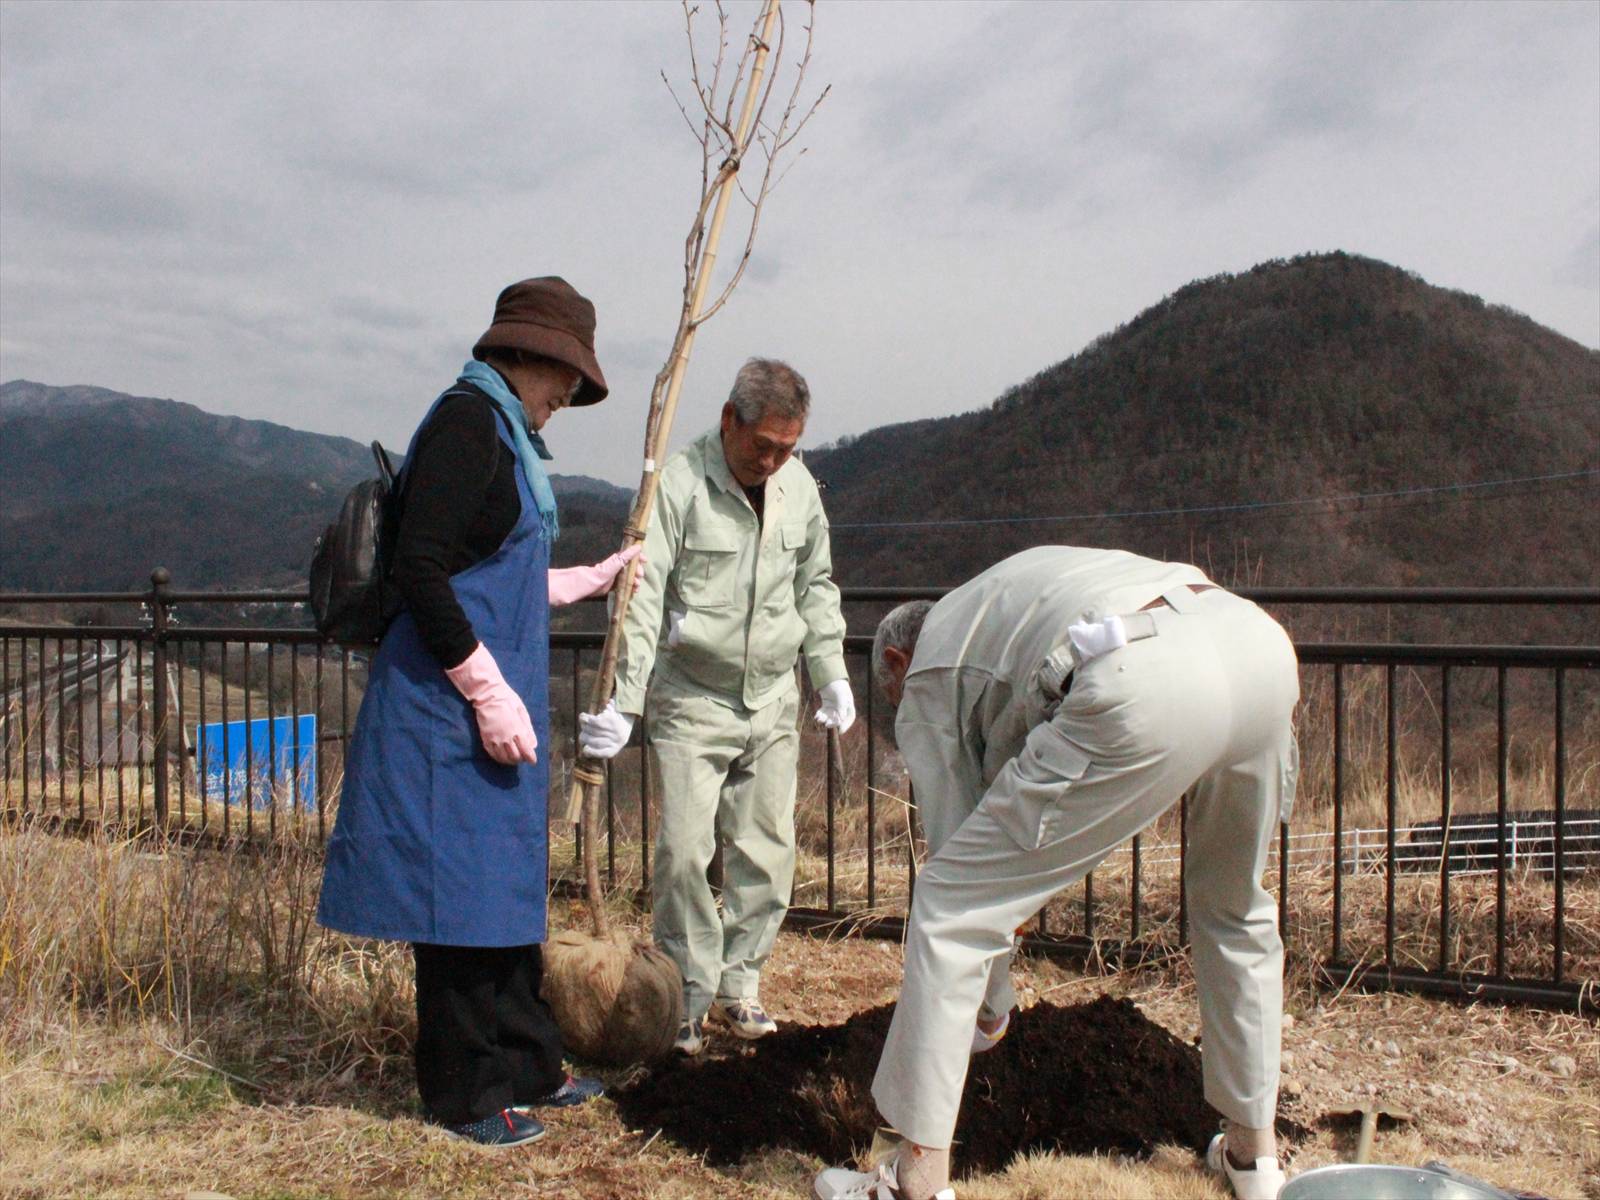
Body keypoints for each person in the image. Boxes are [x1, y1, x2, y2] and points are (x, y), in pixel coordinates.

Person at [814, 546, 1299, 1200]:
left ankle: (912, 1184)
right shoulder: (1000, 600)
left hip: (1140, 676)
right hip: (1257, 650)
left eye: (896, 709)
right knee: (1234, 906)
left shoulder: (928, 671)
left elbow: (960, 858)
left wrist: (988, 1012)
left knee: (950, 907)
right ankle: (1253, 1158)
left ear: (897, 664)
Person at [317, 277, 639, 1148]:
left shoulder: (506, 436)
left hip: (483, 717)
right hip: (440, 711)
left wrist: (583, 579)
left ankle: (531, 1061)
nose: (567, 396)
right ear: (526, 354)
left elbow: (484, 569)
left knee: (501, 896)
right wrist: (486, 688)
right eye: (563, 377)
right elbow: (421, 570)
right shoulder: (468, 424)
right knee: (453, 904)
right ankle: (465, 1093)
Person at [576, 358, 852, 1055]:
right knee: (683, 854)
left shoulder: (797, 489)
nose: (771, 460)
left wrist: (830, 672)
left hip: (770, 695)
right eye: (762, 444)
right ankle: (689, 996)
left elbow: (815, 583)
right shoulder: (679, 485)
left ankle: (740, 984)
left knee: (768, 851)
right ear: (730, 419)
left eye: (786, 449)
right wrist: (624, 701)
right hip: (693, 694)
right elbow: (640, 596)